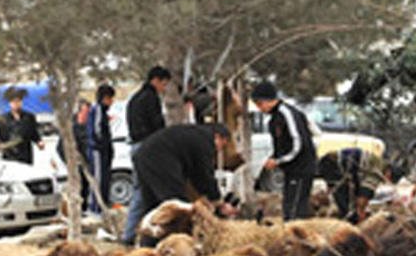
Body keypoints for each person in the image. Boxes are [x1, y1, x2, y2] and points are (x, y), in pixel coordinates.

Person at [133, 123, 237, 219]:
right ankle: (176, 235)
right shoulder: (205, 142)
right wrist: (217, 200)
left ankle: (136, 237)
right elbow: (204, 174)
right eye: (222, 145)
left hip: (144, 154)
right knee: (177, 205)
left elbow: (196, 175)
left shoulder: (194, 134)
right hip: (161, 159)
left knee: (151, 204)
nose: (219, 150)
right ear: (218, 137)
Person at [251, 80, 316, 220]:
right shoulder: (274, 119)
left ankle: (296, 239)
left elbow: (298, 143)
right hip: (290, 169)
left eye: (260, 104)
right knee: (289, 206)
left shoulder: (286, 113)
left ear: (268, 100)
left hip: (301, 168)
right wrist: (274, 158)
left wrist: (278, 160)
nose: (260, 109)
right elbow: (281, 145)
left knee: (294, 210)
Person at [122, 66, 171, 244]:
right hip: (148, 148)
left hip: (136, 146)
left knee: (139, 191)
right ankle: (134, 235)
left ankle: (130, 233)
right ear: (155, 80)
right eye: (163, 84)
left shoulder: (135, 98)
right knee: (146, 193)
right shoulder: (151, 99)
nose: (164, 89)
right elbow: (157, 126)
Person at [0, 87, 43, 164]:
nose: (16, 104)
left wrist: (39, 142)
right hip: (9, 154)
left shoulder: (29, 117)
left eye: (18, 101)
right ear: (10, 103)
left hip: (25, 154)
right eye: (14, 102)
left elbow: (34, 133)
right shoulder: (3, 118)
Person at [85, 84, 116, 212]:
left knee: (105, 179)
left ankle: (102, 205)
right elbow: (97, 130)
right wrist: (102, 144)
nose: (111, 102)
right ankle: (95, 207)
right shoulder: (97, 110)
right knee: (98, 179)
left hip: (103, 150)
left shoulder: (103, 112)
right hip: (98, 150)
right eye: (110, 98)